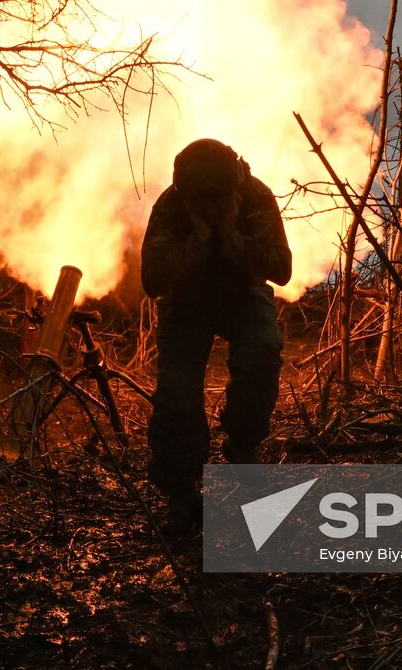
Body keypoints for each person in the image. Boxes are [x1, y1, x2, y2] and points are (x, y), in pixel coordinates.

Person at [141, 138, 292, 534]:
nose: (207, 202)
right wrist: (198, 242)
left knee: (263, 349)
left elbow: (280, 268)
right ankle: (180, 491)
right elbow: (153, 280)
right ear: (183, 189)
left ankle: (242, 444)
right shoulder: (171, 205)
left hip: (242, 293)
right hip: (186, 300)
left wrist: (228, 237)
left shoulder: (254, 196)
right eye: (199, 196)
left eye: (215, 195)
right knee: (175, 389)